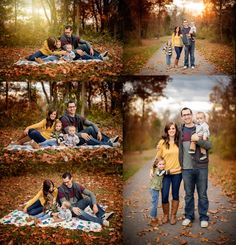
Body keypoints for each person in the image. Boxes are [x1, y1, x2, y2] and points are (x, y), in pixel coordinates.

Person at [179, 107, 211, 228]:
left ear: (191, 115)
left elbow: (209, 145)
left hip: (201, 166)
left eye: (188, 114)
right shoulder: (180, 131)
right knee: (188, 194)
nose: (186, 116)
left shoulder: (200, 127)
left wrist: (198, 141)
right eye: (184, 115)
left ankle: (203, 217)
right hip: (186, 168)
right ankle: (189, 216)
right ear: (182, 117)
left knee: (202, 193)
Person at [156, 122, 182, 225]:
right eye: (169, 129)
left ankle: (173, 216)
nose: (171, 130)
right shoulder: (162, 142)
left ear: (176, 130)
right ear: (167, 131)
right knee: (165, 194)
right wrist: (153, 169)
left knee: (175, 194)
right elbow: (158, 157)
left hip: (177, 173)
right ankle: (166, 215)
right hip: (165, 173)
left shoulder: (179, 142)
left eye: (173, 128)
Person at [149, 158, 180, 226]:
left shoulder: (159, 169)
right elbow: (169, 171)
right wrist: (179, 169)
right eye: (160, 164)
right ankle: (153, 219)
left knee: (155, 203)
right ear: (156, 165)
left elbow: (154, 167)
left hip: (155, 188)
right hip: (154, 189)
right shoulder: (160, 171)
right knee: (154, 203)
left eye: (163, 164)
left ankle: (171, 216)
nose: (162, 166)